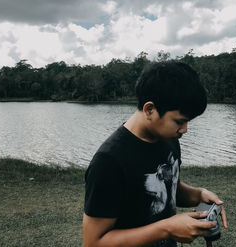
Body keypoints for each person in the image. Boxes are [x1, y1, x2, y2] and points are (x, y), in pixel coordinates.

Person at [83, 61, 228, 247]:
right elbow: (93, 243)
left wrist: (198, 195)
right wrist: (166, 229)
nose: (185, 130)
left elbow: (168, 186)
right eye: (179, 122)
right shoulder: (109, 162)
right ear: (149, 109)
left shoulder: (169, 139)